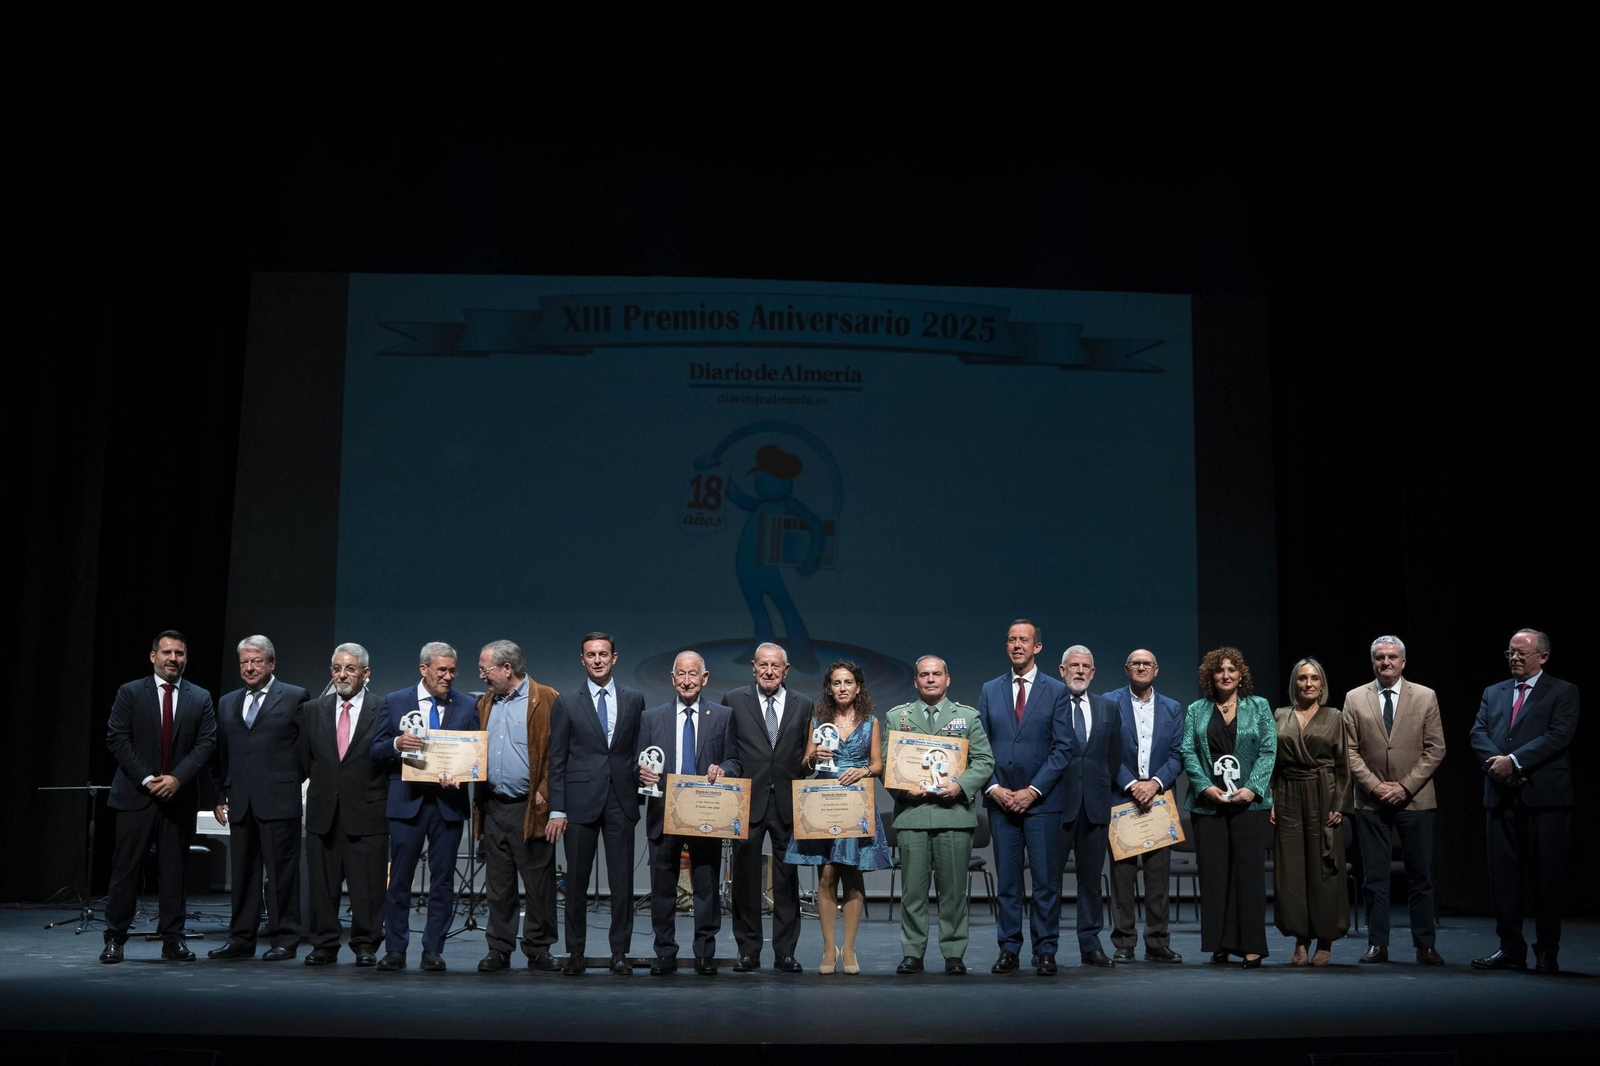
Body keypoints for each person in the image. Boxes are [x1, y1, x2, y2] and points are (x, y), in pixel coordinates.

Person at [100, 631, 218, 963]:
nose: (173, 659)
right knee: (126, 870)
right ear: (153, 656)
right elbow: (117, 739)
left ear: (185, 658)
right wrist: (149, 779)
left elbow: (206, 743)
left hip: (178, 798)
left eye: (179, 653)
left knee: (174, 871)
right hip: (136, 795)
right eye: (166, 652)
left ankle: (173, 940)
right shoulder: (130, 692)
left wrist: (177, 778)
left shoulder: (200, 697)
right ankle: (114, 939)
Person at [1469, 629, 1580, 974]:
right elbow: (1478, 733)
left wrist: (1514, 761)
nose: (1514, 658)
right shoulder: (1494, 691)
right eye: (1510, 653)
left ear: (1543, 657)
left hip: (1545, 799)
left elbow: (1558, 735)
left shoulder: (1563, 691)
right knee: (1503, 879)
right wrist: (1499, 767)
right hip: (1501, 797)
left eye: (1522, 653)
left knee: (1547, 879)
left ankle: (1547, 951)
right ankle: (1510, 949)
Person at [883, 655, 994, 975]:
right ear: (915, 681)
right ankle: (912, 953)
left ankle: (954, 953)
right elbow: (889, 763)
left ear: (947, 679)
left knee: (954, 892)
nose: (930, 679)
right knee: (913, 892)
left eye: (936, 674)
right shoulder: (897, 717)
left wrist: (961, 786)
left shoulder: (967, 717)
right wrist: (904, 791)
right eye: (923, 675)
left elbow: (984, 761)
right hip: (913, 815)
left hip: (954, 815)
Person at [371, 641, 478, 972]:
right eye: (441, 670)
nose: (448, 677)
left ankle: (433, 948)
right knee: (400, 878)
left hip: (448, 803)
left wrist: (463, 775)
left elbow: (474, 754)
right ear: (424, 669)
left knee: (443, 881)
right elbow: (375, 750)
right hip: (407, 803)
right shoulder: (396, 701)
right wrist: (396, 743)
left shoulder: (466, 705)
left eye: (452, 671)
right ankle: (396, 948)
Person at [975, 619, 1074, 975]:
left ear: (1037, 647)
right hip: (1001, 803)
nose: (1017, 645)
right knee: (1009, 882)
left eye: (1024, 640)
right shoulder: (990, 690)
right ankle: (1009, 949)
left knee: (1046, 881)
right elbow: (978, 745)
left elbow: (1063, 748)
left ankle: (1045, 950)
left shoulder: (1056, 690)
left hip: (1042, 803)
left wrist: (1032, 791)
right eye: (1011, 640)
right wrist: (994, 788)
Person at [546, 632, 646, 975]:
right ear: (583, 660)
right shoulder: (566, 702)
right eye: (591, 655)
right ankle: (575, 954)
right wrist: (557, 808)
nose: (598, 660)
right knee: (576, 882)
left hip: (620, 798)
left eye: (604, 654)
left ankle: (620, 953)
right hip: (578, 802)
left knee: (622, 884)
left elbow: (637, 752)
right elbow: (556, 759)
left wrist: (643, 777)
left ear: (614, 658)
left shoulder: (633, 699)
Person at [1343, 635, 1446, 965]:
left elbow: (1436, 749)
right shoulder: (1355, 697)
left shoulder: (1426, 696)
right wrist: (1375, 787)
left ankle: (1425, 944)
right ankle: (1377, 943)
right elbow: (1349, 750)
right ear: (1373, 662)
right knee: (1374, 877)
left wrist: (1405, 787)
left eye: (1392, 657)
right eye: (1380, 657)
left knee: (1421, 877)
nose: (1386, 662)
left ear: (1403, 662)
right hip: (1371, 802)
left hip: (1415, 800)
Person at [785, 659, 892, 975]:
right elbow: (806, 764)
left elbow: (877, 765)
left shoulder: (871, 721)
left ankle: (849, 948)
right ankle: (828, 947)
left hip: (855, 801)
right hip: (823, 800)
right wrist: (814, 755)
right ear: (829, 688)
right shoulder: (818, 721)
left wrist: (861, 770)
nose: (842, 688)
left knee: (852, 873)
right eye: (836, 683)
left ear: (858, 687)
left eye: (848, 682)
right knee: (827, 873)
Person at [207, 635, 309, 961]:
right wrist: (221, 794)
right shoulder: (227, 702)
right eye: (244, 663)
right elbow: (221, 754)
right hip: (240, 801)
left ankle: (285, 939)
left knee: (281, 875)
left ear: (271, 663)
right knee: (243, 875)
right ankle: (241, 939)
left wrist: (289, 782)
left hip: (279, 800)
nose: (250, 668)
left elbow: (307, 752)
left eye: (256, 661)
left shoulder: (294, 697)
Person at [638, 651, 739, 975]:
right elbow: (636, 763)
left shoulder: (722, 716)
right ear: (672, 679)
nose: (687, 680)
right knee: (663, 889)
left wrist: (722, 769)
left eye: (693, 674)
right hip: (664, 814)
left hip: (705, 815)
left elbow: (735, 761)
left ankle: (705, 954)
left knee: (706, 888)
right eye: (681, 674)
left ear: (704, 678)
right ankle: (664, 952)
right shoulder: (651, 718)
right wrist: (641, 773)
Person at [721, 642, 813, 973]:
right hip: (746, 801)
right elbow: (728, 750)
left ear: (786, 670)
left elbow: (807, 755)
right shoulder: (733, 700)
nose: (769, 671)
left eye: (776, 666)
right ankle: (748, 951)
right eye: (763, 665)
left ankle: (785, 952)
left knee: (787, 880)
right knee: (745, 881)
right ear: (753, 667)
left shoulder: (804, 704)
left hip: (788, 802)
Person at [1182, 646, 1275, 967]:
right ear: (1211, 675)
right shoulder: (1196, 709)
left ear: (1240, 675)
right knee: (1214, 876)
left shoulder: (1259, 707)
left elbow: (1268, 750)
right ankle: (1219, 944)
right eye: (1219, 670)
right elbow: (1188, 752)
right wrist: (1205, 787)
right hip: (1208, 806)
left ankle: (1251, 944)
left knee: (1248, 875)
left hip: (1250, 806)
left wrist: (1253, 788)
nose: (1225, 675)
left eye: (1231, 670)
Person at [473, 640, 561, 973]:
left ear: (507, 669)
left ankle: (538, 947)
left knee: (539, 885)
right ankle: (499, 948)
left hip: (531, 807)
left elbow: (560, 753)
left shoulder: (547, 699)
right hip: (494, 806)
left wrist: (546, 792)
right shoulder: (485, 703)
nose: (482, 676)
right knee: (499, 884)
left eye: (486, 669)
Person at [299, 642, 388, 966]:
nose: (342, 674)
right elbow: (305, 760)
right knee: (322, 886)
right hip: (324, 812)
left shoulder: (384, 709)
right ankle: (324, 944)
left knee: (368, 887)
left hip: (367, 812)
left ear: (366, 673)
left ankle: (365, 945)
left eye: (350, 668)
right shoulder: (313, 710)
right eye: (337, 668)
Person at [1103, 649, 1185, 964]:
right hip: (1122, 797)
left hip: (1159, 799)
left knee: (1157, 877)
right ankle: (1124, 943)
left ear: (1156, 669)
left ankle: (1157, 942)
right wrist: (1131, 784)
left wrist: (1154, 784)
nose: (1141, 667)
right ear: (1126, 669)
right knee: (1122, 878)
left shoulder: (1172, 708)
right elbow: (1107, 750)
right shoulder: (1109, 703)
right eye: (1135, 663)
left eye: (1146, 663)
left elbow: (1177, 754)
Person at [1271, 657, 1351, 966]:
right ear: (1294, 683)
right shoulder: (1280, 715)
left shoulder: (1335, 716)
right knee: (1292, 871)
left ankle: (1325, 939)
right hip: (1289, 793)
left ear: (1322, 684)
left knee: (1323, 869)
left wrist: (1339, 805)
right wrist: (1273, 799)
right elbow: (1273, 764)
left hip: (1323, 793)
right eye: (1303, 678)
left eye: (1314, 678)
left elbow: (1344, 766)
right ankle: (1300, 939)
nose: (1309, 683)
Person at [1056, 645, 1122, 968]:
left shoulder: (1108, 708)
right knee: (1048, 881)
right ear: (1062, 670)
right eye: (1074, 666)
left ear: (1093, 673)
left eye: (1085, 666)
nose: (1080, 671)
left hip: (1095, 806)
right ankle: (1046, 945)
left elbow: (1113, 758)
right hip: (1057, 806)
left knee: (1091, 882)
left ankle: (1090, 944)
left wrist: (1097, 789)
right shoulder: (1050, 705)